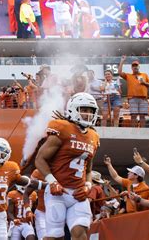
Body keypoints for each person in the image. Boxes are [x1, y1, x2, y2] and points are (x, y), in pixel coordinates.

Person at [35, 92, 100, 240]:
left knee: (81, 234)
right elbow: (40, 159)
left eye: (91, 111)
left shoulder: (93, 136)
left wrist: (87, 186)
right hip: (58, 192)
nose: (88, 114)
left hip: (78, 194)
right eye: (84, 110)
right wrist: (52, 182)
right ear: (73, 109)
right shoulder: (62, 128)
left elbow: (88, 169)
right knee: (56, 236)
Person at [118, 56, 149, 127]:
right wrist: (122, 61)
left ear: (139, 67)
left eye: (136, 65)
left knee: (142, 116)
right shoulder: (128, 75)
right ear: (132, 68)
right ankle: (133, 131)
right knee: (133, 115)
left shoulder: (144, 75)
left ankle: (142, 131)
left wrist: (144, 83)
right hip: (133, 98)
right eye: (133, 66)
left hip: (143, 99)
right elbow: (119, 72)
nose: (135, 67)